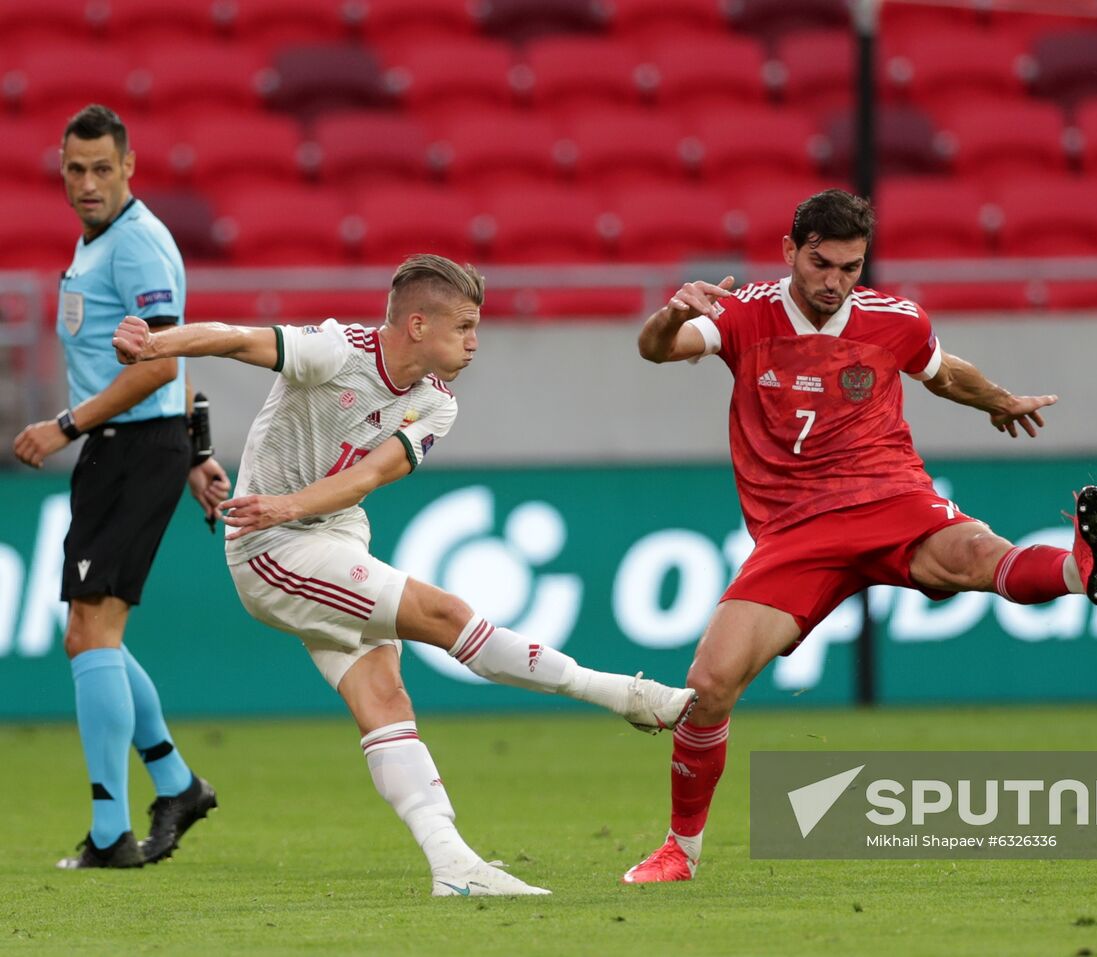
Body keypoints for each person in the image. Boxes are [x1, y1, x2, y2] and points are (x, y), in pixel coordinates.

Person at [112, 253, 697, 897]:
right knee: (446, 617)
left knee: (385, 700)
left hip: (325, 531)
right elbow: (235, 338)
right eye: (465, 327)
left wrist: (293, 502)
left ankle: (452, 865)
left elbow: (370, 477)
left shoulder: (435, 404)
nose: (476, 343)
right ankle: (625, 696)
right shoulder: (335, 351)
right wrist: (154, 345)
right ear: (418, 325)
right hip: (270, 548)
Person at [621, 188, 1097, 884]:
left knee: (978, 556)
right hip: (795, 531)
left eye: (850, 268)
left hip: (890, 497)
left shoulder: (896, 320)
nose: (834, 281)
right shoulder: (742, 314)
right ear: (790, 251)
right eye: (821, 263)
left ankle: (1080, 569)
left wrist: (1000, 401)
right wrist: (673, 310)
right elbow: (659, 349)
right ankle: (682, 849)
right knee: (708, 686)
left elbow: (943, 371)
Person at [11, 104, 228, 871]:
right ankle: (176, 782)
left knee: (91, 634)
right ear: (62, 168)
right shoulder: (102, 240)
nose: (89, 183)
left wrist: (65, 425)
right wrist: (198, 449)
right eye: (75, 169)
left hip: (130, 446)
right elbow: (173, 347)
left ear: (129, 167)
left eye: (103, 168)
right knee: (88, 634)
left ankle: (111, 833)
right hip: (135, 446)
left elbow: (162, 360)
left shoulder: (135, 244)